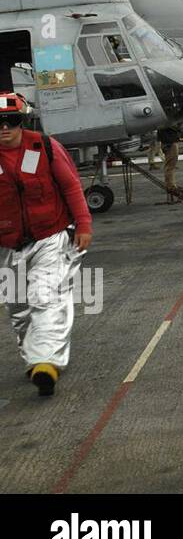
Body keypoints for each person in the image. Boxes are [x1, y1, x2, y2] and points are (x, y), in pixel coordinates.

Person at [0, 92, 93, 396]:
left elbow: (71, 186)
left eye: (11, 122)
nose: (4, 128)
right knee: (18, 308)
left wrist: (83, 224)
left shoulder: (45, 147)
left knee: (47, 296)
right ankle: (34, 360)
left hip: (50, 237)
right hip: (7, 244)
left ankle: (47, 362)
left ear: (21, 121)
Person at [158, 123, 182, 201]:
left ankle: (171, 185)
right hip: (169, 142)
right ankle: (171, 186)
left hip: (168, 141)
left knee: (170, 165)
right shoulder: (165, 121)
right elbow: (173, 126)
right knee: (170, 166)